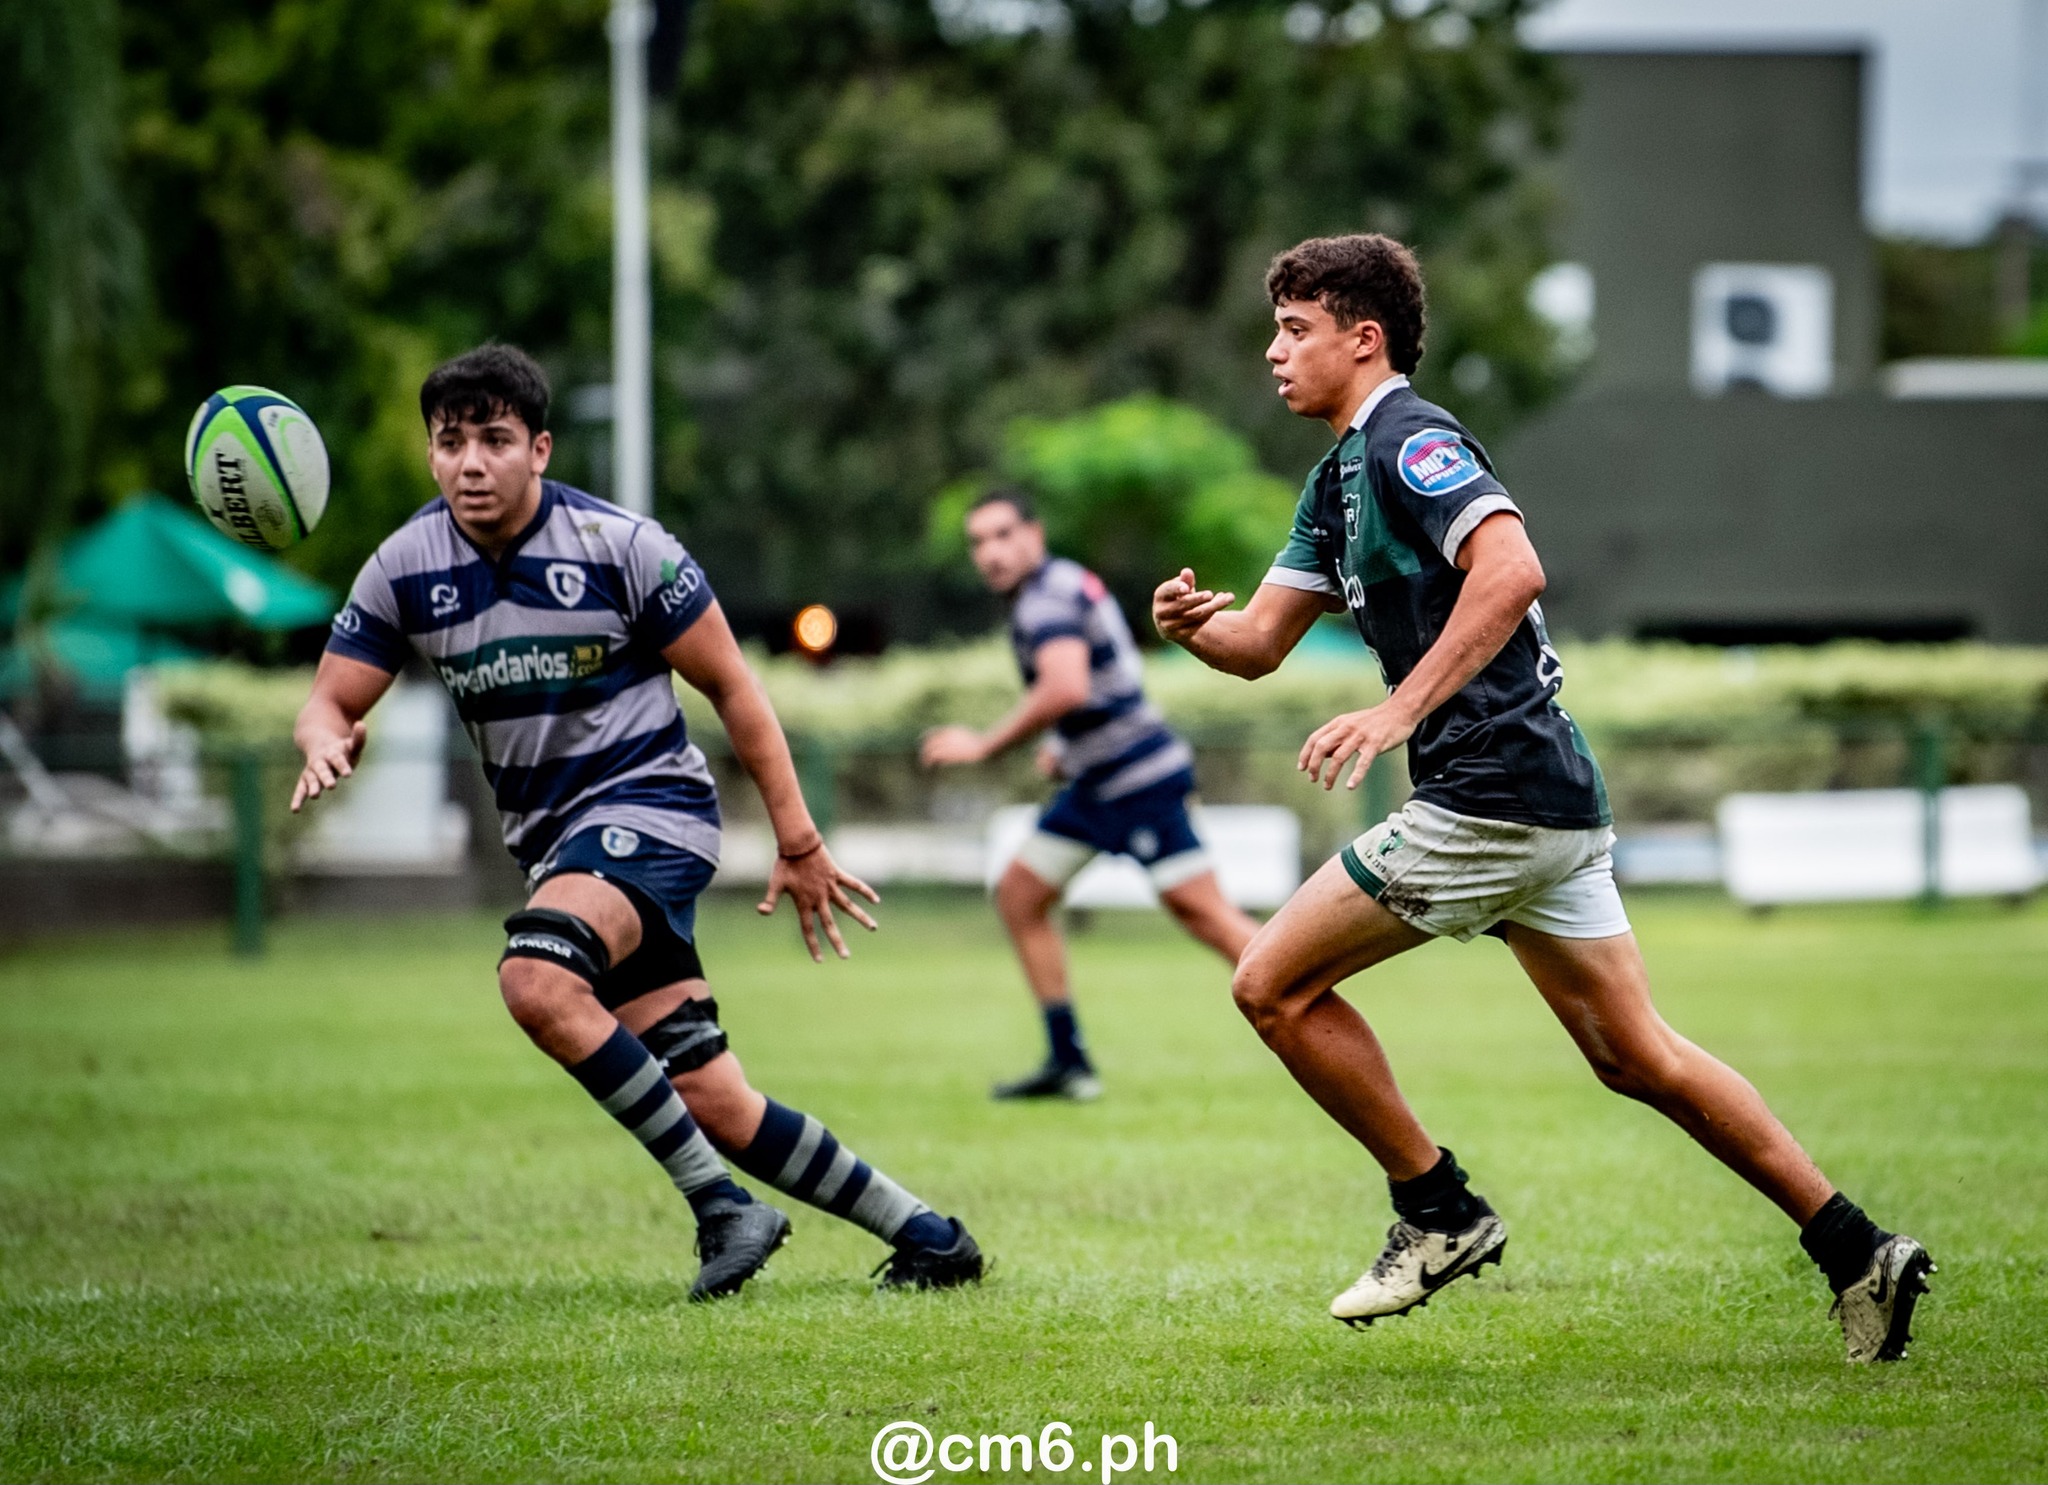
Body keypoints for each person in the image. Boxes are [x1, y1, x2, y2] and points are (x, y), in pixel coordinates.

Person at [1151, 234, 1931, 1363]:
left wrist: (1394, 712)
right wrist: (1192, 632)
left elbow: (1511, 570)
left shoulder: (1411, 441)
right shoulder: (1334, 482)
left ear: (1361, 340)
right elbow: (1260, 643)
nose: (1272, 353)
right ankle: (1857, 1249)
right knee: (1636, 1057)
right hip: (1546, 802)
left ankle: (1437, 1211)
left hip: (1488, 799)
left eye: (1294, 331)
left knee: (1269, 986)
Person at [293, 344, 981, 1300]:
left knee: (536, 978)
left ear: (539, 448)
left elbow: (734, 686)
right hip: (558, 850)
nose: (470, 464)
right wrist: (326, 736)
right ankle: (931, 1237)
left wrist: (799, 839)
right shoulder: (405, 565)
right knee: (713, 1097)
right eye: (450, 443)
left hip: (652, 809)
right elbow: (330, 699)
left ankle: (722, 1209)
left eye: (494, 440)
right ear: (431, 455)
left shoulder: (623, 546)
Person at [923, 489, 1259, 1101]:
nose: (990, 553)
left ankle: (1307, 995)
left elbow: (1066, 687)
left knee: (1205, 915)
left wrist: (982, 744)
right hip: (1099, 782)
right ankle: (1068, 1061)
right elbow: (1102, 681)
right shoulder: (1061, 583)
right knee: (1020, 894)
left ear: (1034, 534)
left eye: (1002, 535)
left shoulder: (1042, 601)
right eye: (978, 542)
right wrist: (1066, 747)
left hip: (1137, 782)